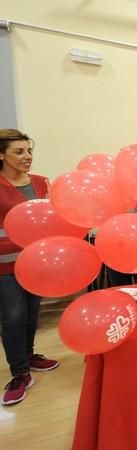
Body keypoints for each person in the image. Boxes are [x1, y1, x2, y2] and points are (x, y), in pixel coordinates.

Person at [0, 129, 59, 406]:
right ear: (2, 155)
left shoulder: (40, 182)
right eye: (19, 152)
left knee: (32, 313)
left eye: (29, 151)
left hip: (36, 262)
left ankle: (29, 355)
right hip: (5, 266)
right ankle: (19, 372)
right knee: (13, 318)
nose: (27, 157)